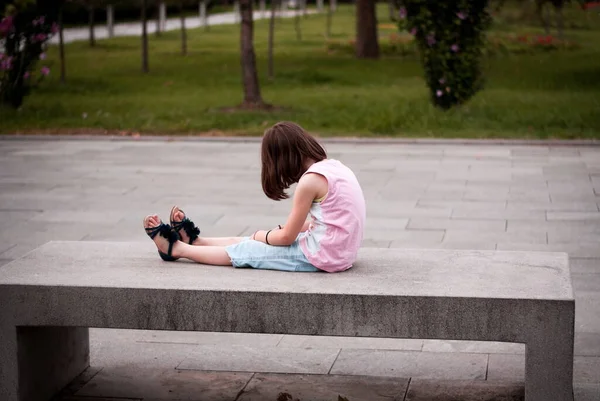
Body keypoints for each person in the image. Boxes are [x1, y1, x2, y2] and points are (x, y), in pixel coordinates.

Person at [143, 121, 366, 273]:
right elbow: (334, 219)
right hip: (338, 250)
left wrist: (263, 235)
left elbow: (286, 238)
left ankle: (176, 249)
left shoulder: (309, 182)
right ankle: (197, 242)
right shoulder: (335, 167)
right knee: (256, 240)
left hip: (325, 256)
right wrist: (279, 232)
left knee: (249, 249)